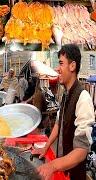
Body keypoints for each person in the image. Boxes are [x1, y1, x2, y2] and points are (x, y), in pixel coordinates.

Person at [33, 44, 95, 180]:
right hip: (63, 170)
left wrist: (52, 166)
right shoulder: (66, 95)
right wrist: (46, 147)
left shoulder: (83, 98)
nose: (57, 68)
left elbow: (81, 151)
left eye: (61, 63)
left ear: (72, 66)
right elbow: (58, 124)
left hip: (74, 175)